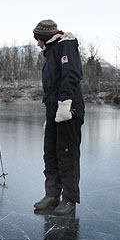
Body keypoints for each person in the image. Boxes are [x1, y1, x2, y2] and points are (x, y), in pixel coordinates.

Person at [32, 19, 85, 215]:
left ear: (45, 37)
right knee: (51, 153)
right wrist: (52, 112)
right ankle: (52, 195)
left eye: (38, 39)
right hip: (54, 110)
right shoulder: (52, 51)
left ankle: (69, 199)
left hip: (68, 110)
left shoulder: (66, 46)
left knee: (67, 155)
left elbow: (71, 74)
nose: (37, 44)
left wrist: (65, 103)